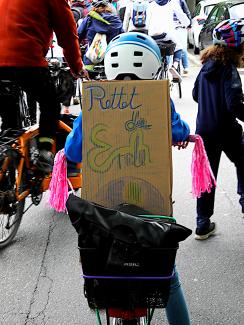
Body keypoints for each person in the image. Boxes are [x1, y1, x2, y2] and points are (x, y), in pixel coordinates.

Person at [64, 32, 191, 325]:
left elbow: (72, 150)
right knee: (167, 277)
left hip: (103, 214)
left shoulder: (96, 100)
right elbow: (180, 132)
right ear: (154, 66)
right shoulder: (159, 100)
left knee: (101, 271)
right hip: (152, 211)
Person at [0, 0, 88, 174]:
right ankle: (45, 152)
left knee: (9, 122)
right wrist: (77, 67)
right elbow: (67, 35)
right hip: (26, 58)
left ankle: (6, 164)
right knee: (50, 102)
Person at [193, 19, 244, 240]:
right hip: (226, 130)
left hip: (204, 131)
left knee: (207, 176)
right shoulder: (229, 69)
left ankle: (202, 223)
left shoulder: (206, 66)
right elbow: (234, 103)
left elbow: (195, 94)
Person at [77, 0, 123, 78]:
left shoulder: (89, 19)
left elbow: (78, 36)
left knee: (89, 86)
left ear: (94, 9)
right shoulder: (116, 21)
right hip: (112, 61)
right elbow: (122, 38)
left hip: (91, 60)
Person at [146, 0, 190, 82]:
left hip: (152, 35)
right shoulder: (173, 3)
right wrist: (186, 23)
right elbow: (184, 18)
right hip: (166, 35)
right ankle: (174, 67)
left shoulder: (150, 5)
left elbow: (146, 22)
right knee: (179, 47)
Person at [173, 0, 191, 75]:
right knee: (181, 47)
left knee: (180, 48)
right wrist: (189, 23)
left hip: (177, 27)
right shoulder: (177, 2)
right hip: (176, 27)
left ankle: (184, 67)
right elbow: (185, 13)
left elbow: (186, 12)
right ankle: (182, 66)